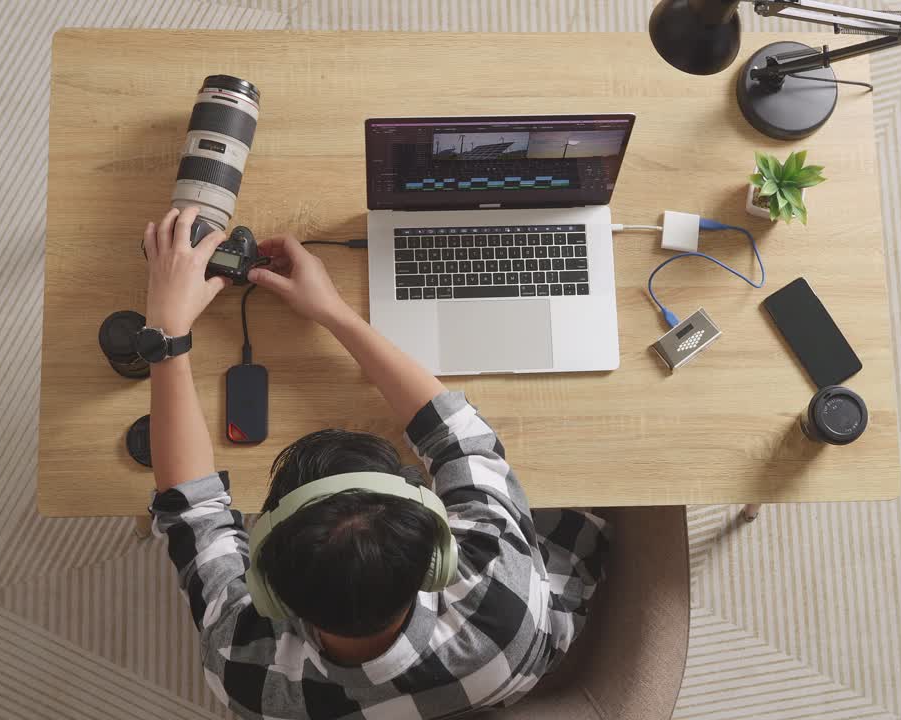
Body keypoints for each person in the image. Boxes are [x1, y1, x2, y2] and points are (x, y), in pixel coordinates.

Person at [142, 206, 610, 720]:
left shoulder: (245, 673)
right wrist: (334, 313)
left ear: (268, 592)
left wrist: (167, 331)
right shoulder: (499, 597)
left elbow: (192, 511)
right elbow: (460, 437)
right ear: (440, 556)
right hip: (507, 663)